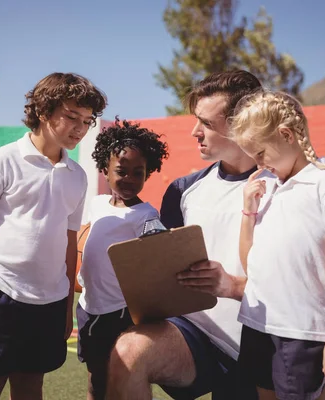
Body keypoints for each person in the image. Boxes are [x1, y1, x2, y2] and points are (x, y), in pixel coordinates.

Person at [106, 70, 265, 400]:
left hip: (262, 344)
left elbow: (306, 287)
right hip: (195, 336)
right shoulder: (183, 191)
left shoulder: (285, 190)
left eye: (206, 123)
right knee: (129, 352)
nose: (195, 131)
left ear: (243, 124)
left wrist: (234, 287)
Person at [0, 73, 107, 400]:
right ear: (43, 112)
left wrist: (65, 305)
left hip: (49, 301)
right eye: (72, 116)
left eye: (87, 121)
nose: (80, 127)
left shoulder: (77, 176)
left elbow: (69, 240)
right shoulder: (1, 161)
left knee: (32, 384)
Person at [230, 91, 325, 400]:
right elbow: (252, 265)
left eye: (260, 153)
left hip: (301, 332)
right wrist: (248, 211)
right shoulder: (269, 189)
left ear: (286, 135)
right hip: (258, 325)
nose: (258, 164)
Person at [76, 118, 169, 400]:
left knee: (123, 377)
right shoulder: (97, 203)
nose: (129, 178)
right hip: (89, 306)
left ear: (147, 173)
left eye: (137, 172)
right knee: (96, 377)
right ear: (105, 169)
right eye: (121, 171)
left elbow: (158, 248)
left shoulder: (146, 215)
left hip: (121, 311)